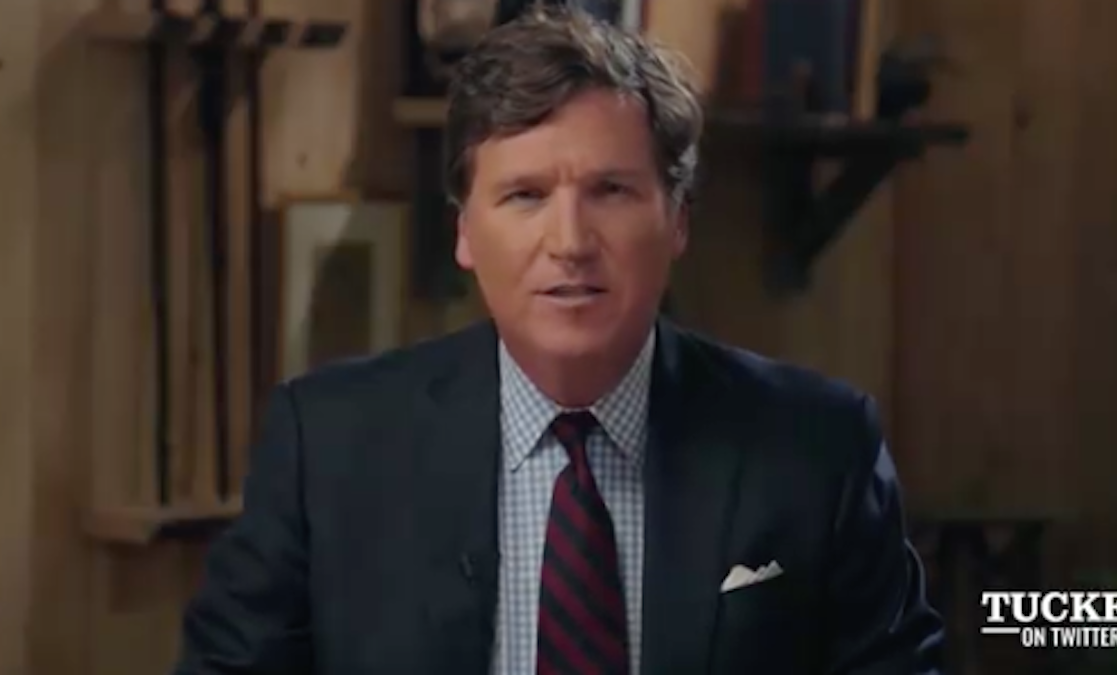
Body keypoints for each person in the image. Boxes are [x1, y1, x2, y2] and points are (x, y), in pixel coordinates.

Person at [173, 7, 944, 674]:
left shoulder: (818, 448)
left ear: (677, 220)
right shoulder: (327, 446)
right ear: (466, 231)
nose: (570, 241)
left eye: (611, 191)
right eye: (525, 195)